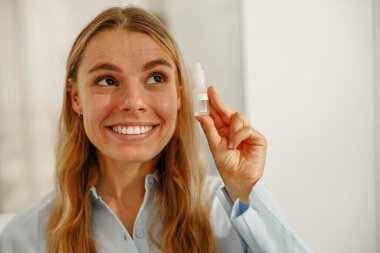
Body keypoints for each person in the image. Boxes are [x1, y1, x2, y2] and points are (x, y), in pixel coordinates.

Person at [0, 6, 313, 253]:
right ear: (75, 98)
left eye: (156, 78)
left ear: (179, 94)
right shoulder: (23, 239)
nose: (134, 102)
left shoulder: (228, 213)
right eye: (107, 80)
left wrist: (246, 189)